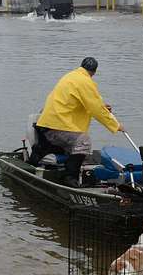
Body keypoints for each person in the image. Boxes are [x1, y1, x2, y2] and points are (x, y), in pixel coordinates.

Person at [29, 57, 124, 185]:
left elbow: (86, 102)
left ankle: (43, 150)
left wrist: (102, 107)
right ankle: (70, 177)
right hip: (56, 127)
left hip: (47, 125)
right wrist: (116, 126)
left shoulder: (70, 76)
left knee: (78, 148)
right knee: (83, 142)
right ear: (94, 72)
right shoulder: (85, 81)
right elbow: (95, 108)